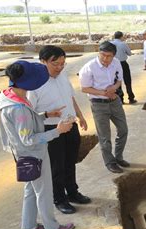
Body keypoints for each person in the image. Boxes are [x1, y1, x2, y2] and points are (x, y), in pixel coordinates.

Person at [0, 60, 75, 229]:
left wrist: (45, 115)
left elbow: (23, 125)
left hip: (22, 154)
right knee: (44, 192)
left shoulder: (10, 96)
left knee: (31, 191)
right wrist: (57, 131)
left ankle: (29, 227)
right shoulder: (18, 108)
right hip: (33, 154)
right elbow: (29, 138)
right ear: (29, 82)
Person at [28, 45, 91, 215]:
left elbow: (71, 97)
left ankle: (72, 192)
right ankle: (59, 199)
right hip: (52, 128)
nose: (60, 67)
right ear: (43, 62)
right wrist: (47, 113)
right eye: (55, 64)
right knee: (57, 166)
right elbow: (30, 114)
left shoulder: (62, 76)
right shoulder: (34, 85)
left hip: (70, 125)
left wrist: (80, 116)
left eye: (63, 63)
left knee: (71, 161)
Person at [79, 41, 130, 173]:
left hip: (114, 101)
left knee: (123, 129)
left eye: (109, 56)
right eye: (103, 55)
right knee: (104, 136)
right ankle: (110, 162)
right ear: (98, 53)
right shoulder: (89, 67)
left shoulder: (116, 63)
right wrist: (104, 93)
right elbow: (84, 88)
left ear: (114, 55)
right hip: (98, 104)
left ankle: (118, 157)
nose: (105, 59)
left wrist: (113, 88)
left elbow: (119, 80)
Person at [111, 31, 137, 104]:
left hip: (113, 65)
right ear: (121, 37)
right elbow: (129, 53)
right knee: (127, 81)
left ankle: (120, 99)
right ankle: (131, 98)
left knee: (117, 82)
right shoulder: (123, 44)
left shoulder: (111, 44)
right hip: (123, 63)